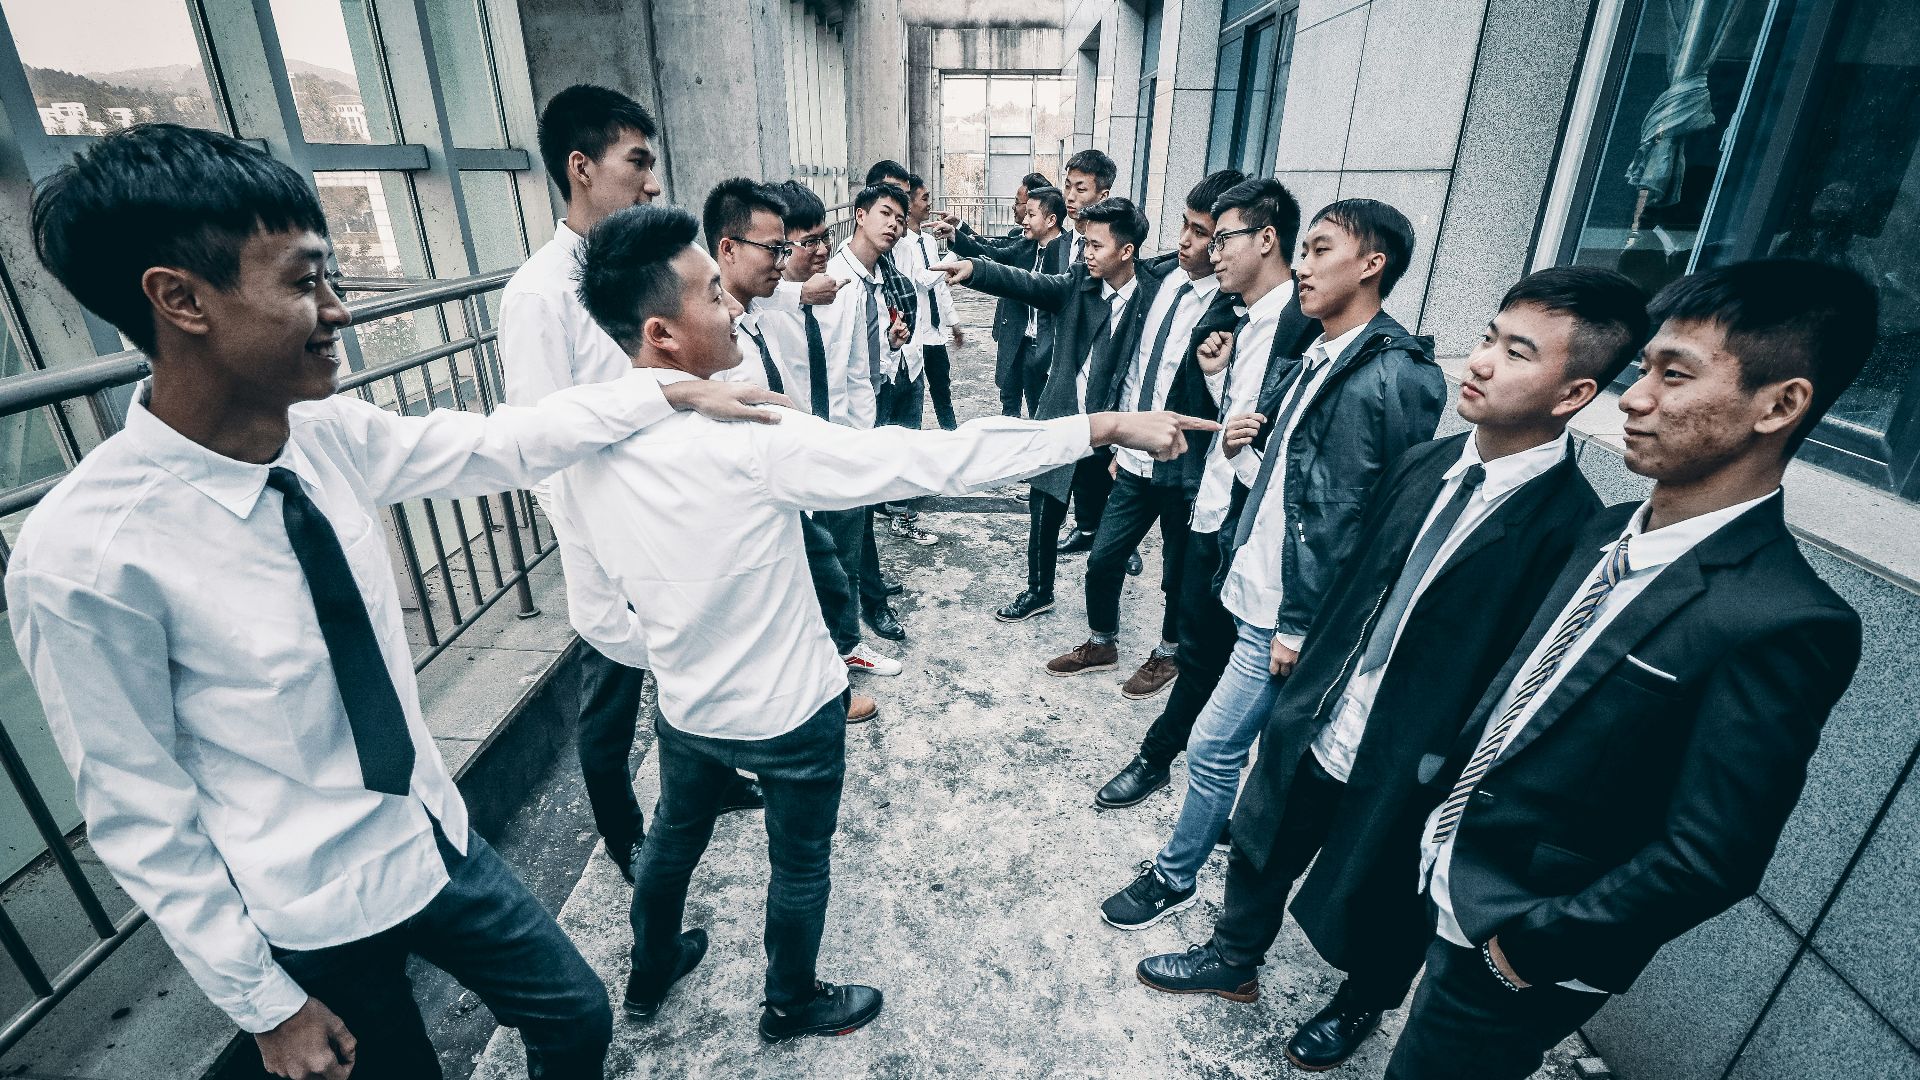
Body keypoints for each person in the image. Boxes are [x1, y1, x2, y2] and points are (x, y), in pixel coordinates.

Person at [6, 124, 784, 1080]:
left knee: (576, 1017)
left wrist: (664, 392)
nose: (338, 311)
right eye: (302, 282)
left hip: (430, 840)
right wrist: (267, 1005)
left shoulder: (323, 434)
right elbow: (138, 813)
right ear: (179, 299)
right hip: (305, 908)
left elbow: (500, 442)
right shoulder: (84, 557)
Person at [560, 203, 1217, 1039]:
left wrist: (660, 646)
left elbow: (599, 583)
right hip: (790, 710)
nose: (731, 305)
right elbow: (934, 458)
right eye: (707, 294)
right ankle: (789, 1001)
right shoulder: (748, 438)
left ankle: (649, 972)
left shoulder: (582, 434)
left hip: (687, 702)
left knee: (671, 844)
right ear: (660, 332)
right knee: (799, 865)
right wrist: (1104, 426)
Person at [1135, 267, 1648, 1072]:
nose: (1478, 363)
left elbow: (1507, 680)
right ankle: (1233, 958)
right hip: (1328, 706)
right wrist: (1305, 678)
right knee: (1264, 835)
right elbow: (1354, 580)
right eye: (1487, 338)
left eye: (1517, 353)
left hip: (1414, 752)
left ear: (1573, 393)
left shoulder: (1570, 530)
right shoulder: (1426, 464)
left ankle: (1360, 1003)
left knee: (1389, 898)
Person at [1382, 260, 1871, 1080]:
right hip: (1456, 868)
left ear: (1780, 404)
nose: (1634, 398)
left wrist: (1531, 945)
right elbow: (1528, 685)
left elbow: (1711, 855)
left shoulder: (1785, 618)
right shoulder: (1605, 529)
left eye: (1674, 376)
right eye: (1643, 368)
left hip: (1520, 943)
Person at [1100, 194, 1446, 929]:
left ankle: (1176, 877)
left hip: (1287, 616)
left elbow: (1363, 517)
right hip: (1256, 591)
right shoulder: (1321, 352)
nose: (1305, 267)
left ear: (1372, 265)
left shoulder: (1392, 374)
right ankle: (1217, 863)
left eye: (1321, 250)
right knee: (1244, 747)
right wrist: (1240, 434)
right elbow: (1292, 482)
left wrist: (1296, 623)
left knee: (1215, 742)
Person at [500, 86, 764, 888]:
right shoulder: (539, 294)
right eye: (637, 162)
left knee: (695, 673)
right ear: (581, 169)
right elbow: (540, 446)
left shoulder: (648, 270)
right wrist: (604, 555)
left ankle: (714, 779)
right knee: (610, 706)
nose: (653, 183)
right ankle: (628, 844)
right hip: (609, 547)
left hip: (677, 523)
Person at [1092, 177, 1314, 811]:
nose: (1210, 251)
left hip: (1251, 523)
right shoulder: (1230, 317)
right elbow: (1232, 425)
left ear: (1266, 240)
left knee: (1212, 652)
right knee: (1198, 638)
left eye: (1223, 238)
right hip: (1211, 508)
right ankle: (1178, 760)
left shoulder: (1302, 330)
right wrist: (1218, 380)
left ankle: (1160, 759)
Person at [1043, 169, 1246, 700]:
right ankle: (1102, 640)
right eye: (1185, 225)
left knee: (1176, 572)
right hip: (1134, 458)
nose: (1185, 240)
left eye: (1203, 233)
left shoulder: (1231, 309)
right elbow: (1137, 367)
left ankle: (1169, 652)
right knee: (1103, 557)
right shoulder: (1159, 279)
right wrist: (1119, 440)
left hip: (1185, 466)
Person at [702, 177, 895, 704]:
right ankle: (818, 680)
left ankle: (840, 655)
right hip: (770, 473)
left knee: (841, 563)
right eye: (792, 244)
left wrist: (857, 442)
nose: (816, 250)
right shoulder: (734, 317)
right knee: (807, 580)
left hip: (827, 446)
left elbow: (856, 372)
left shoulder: (816, 295)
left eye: (819, 238)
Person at [934, 197, 1150, 624]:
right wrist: (976, 270)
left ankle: (1105, 571)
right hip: (1064, 420)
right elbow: (1028, 283)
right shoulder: (1076, 284)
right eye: (1084, 243)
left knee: (1109, 509)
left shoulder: (1154, 297)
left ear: (1126, 252)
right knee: (1045, 508)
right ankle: (1039, 590)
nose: (1085, 253)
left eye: (1096, 246)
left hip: (1117, 427)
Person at [814, 182, 915, 642]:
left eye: (900, 218)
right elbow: (832, 368)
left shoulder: (880, 276)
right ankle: (862, 616)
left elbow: (863, 358)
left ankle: (868, 604)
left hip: (872, 406)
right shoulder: (833, 281)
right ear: (859, 215)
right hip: (839, 427)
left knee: (866, 516)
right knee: (847, 534)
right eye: (884, 214)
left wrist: (892, 347)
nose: (893, 225)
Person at [934, 183, 1070, 417]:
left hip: (1048, 351)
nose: (1024, 220)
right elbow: (993, 253)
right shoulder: (1025, 246)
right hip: (1018, 342)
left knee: (1043, 415)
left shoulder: (1071, 254)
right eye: (1025, 212)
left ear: (1051, 220)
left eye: (1031, 214)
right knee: (1009, 408)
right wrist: (957, 236)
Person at [1054, 149, 1122, 554]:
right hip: (1065, 362)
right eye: (1068, 186)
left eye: (1081, 188)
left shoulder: (1115, 249)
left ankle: (1116, 538)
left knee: (1106, 455)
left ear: (1103, 193)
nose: (1071, 195)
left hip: (1102, 367)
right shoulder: (1063, 242)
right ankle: (1085, 526)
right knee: (1078, 453)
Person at [904, 173, 964, 431]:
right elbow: (925, 279)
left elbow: (939, 287)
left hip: (935, 332)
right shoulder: (901, 244)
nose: (929, 204)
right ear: (908, 204)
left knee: (943, 391)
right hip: (916, 333)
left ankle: (952, 438)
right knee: (913, 398)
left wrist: (953, 323)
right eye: (924, 198)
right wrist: (958, 251)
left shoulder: (927, 241)